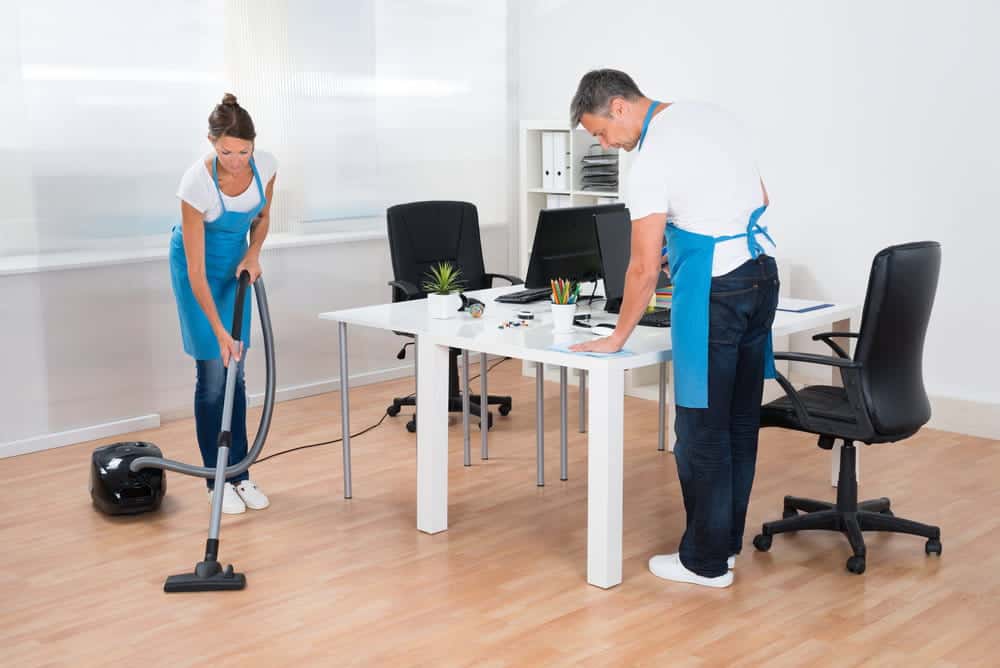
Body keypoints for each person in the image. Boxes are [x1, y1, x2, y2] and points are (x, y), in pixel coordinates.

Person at [569, 69, 779, 588]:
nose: (604, 143)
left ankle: (704, 563)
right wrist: (683, 236)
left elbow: (641, 270)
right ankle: (723, 547)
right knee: (737, 423)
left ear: (619, 106)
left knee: (700, 430)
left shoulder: (650, 159)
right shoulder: (708, 115)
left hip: (715, 291)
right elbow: (762, 197)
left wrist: (616, 337)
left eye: (599, 131)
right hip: (761, 276)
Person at [169, 93, 277, 514]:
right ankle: (216, 481)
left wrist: (254, 253)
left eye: (243, 151)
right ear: (211, 143)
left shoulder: (266, 165)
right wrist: (218, 330)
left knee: (237, 374)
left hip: (235, 268)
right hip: (197, 271)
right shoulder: (196, 183)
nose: (236, 160)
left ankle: (241, 473)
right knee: (214, 372)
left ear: (254, 144)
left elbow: (263, 217)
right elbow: (196, 272)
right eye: (226, 151)